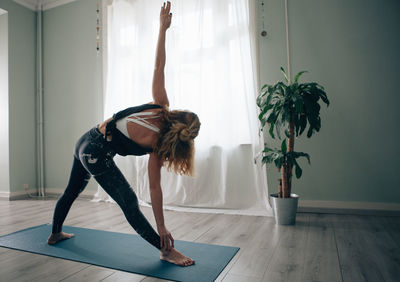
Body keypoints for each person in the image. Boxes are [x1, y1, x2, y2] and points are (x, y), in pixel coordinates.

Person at [47, 1, 199, 267]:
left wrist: (162, 29)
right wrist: (162, 228)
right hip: (94, 152)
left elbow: (158, 66)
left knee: (72, 190)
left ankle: (55, 233)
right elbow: (154, 188)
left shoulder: (159, 106)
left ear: (179, 114)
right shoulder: (158, 146)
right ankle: (164, 250)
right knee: (128, 201)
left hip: (86, 139)